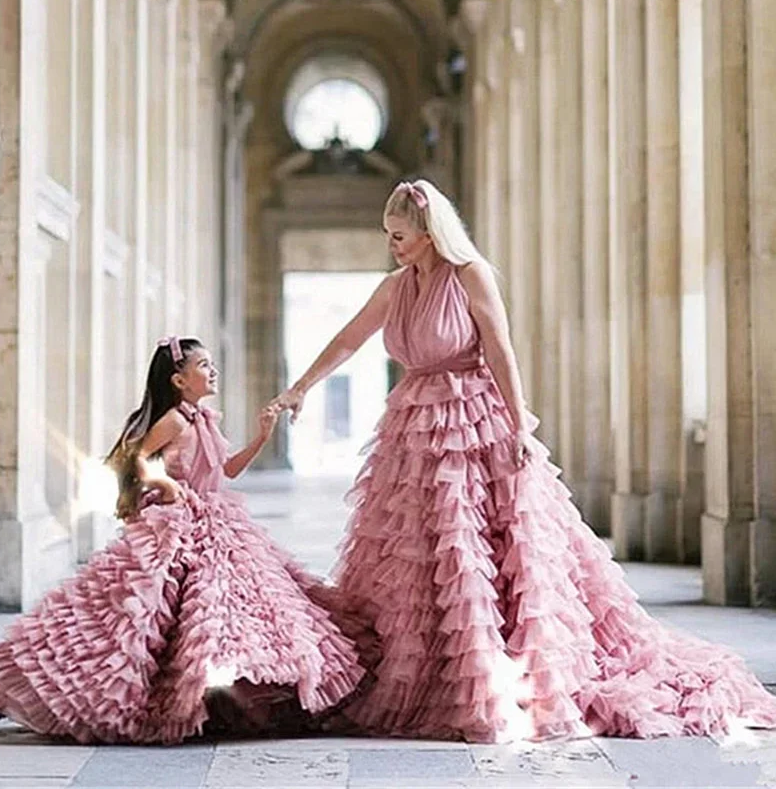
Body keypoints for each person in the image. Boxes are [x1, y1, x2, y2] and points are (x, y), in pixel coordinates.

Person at [269, 179, 776, 743]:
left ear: (430, 234)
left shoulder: (470, 276)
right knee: (420, 552)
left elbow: (501, 351)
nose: (393, 245)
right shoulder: (395, 287)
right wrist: (301, 387)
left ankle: (491, 670)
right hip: (412, 428)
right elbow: (348, 339)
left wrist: (519, 425)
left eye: (400, 236)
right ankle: (431, 667)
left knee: (478, 547)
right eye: (388, 236)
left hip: (473, 422)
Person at [0, 336, 372, 744]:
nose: (212, 371)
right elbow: (133, 457)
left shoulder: (205, 419)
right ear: (180, 381)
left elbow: (229, 471)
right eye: (203, 365)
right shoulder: (175, 421)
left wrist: (261, 435)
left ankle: (229, 692)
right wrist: (164, 483)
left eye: (212, 364)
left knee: (243, 608)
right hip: (178, 522)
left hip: (218, 519)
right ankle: (165, 691)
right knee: (162, 609)